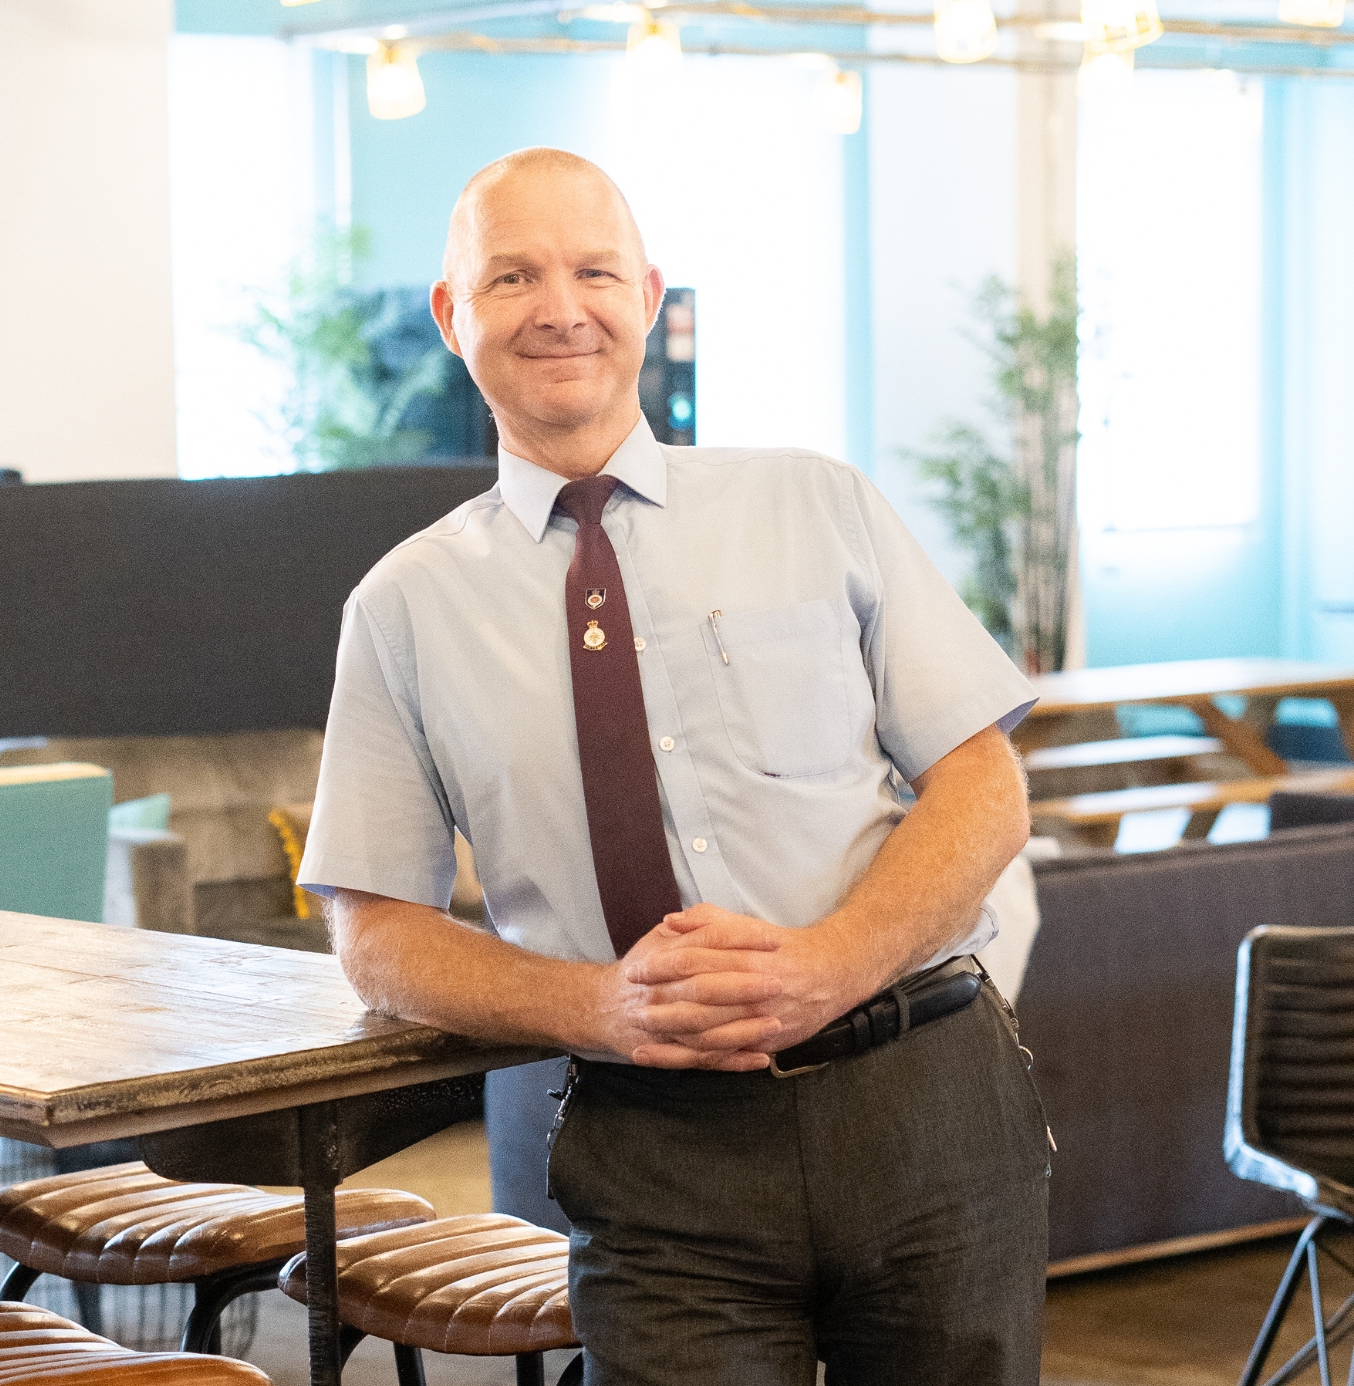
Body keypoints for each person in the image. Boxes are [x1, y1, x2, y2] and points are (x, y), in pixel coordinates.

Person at [295, 146, 1049, 1385]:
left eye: (595, 270)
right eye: (513, 276)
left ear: (648, 296)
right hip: (657, 1156)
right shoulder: (403, 608)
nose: (561, 308)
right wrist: (601, 1009)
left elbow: (983, 784)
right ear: (452, 315)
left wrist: (826, 968)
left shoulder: (817, 501)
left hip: (925, 1105)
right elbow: (375, 933)